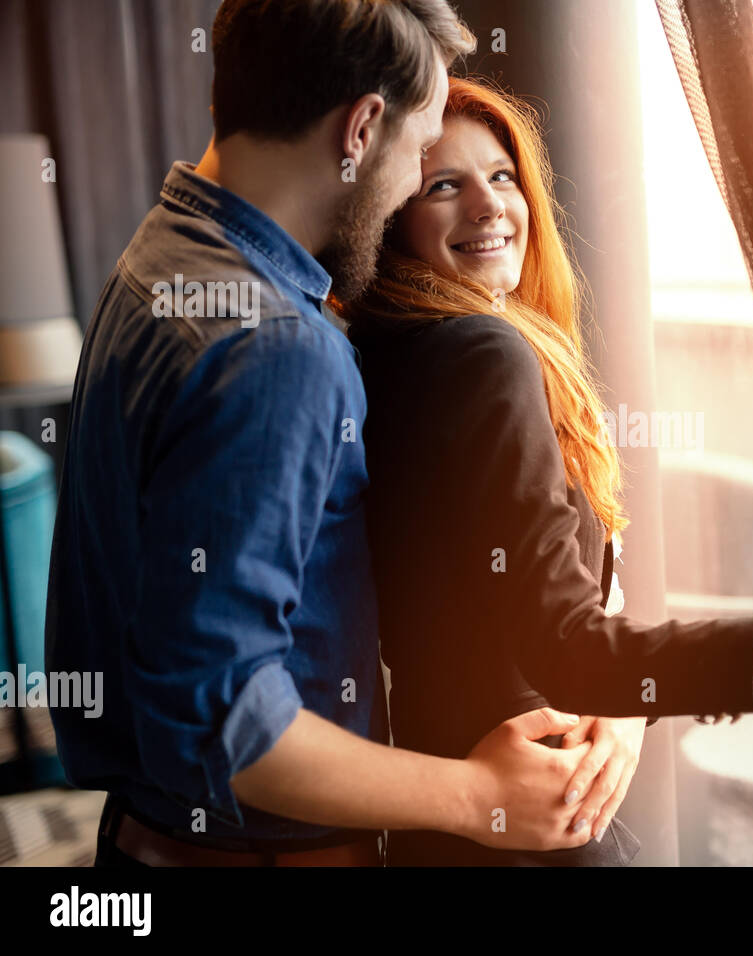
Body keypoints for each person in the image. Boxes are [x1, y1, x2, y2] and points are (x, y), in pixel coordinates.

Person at [45, 0, 609, 867]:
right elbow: (224, 713)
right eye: (421, 156)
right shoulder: (277, 347)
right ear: (361, 130)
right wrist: (480, 796)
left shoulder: (160, 254)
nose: (405, 197)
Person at [338, 77, 753, 866]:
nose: (490, 206)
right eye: (444, 187)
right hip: (538, 814)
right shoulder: (483, 356)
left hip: (451, 827)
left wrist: (622, 708)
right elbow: (569, 646)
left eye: (502, 177)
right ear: (393, 221)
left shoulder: (382, 358)